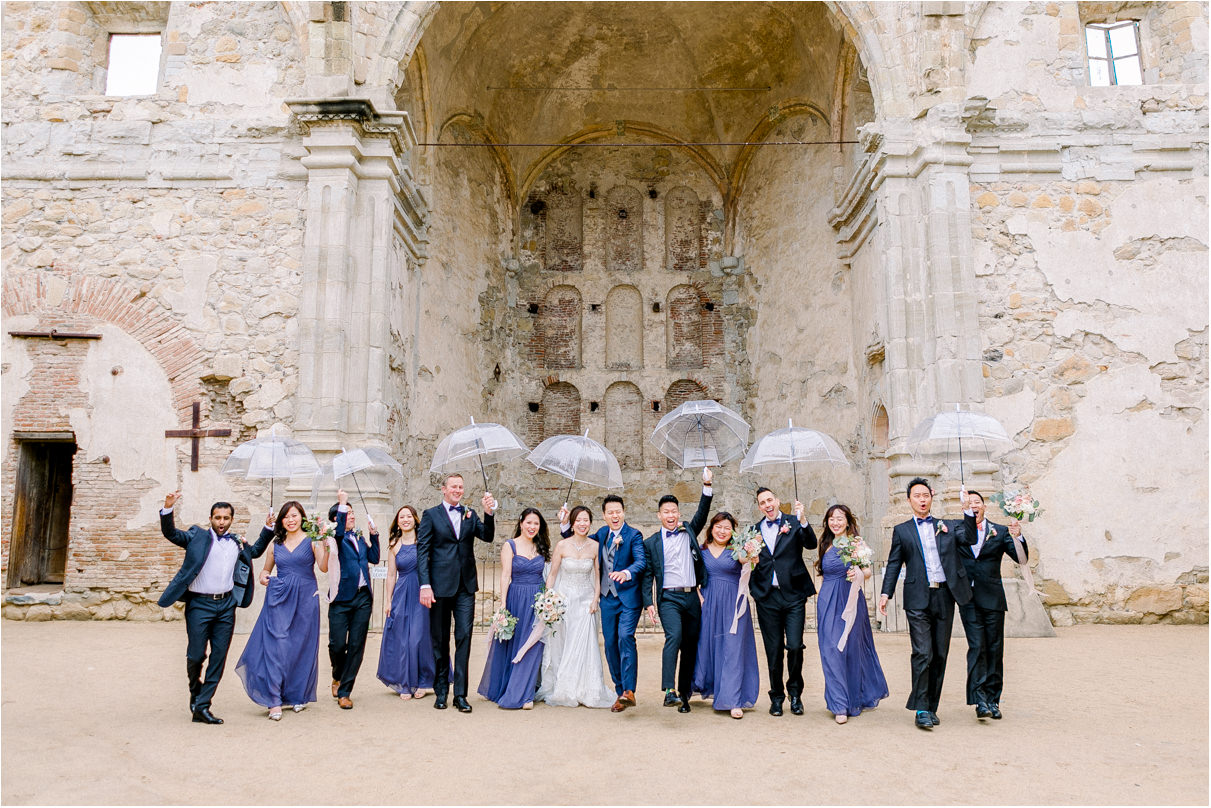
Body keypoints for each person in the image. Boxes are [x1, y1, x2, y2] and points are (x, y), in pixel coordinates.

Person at [158, 491, 273, 724]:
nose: (222, 522)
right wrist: (168, 509)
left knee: (218, 657)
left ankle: (202, 706)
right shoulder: (196, 536)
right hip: (199, 605)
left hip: (226, 606)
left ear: (232, 519)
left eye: (226, 518)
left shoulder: (237, 542)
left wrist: (267, 528)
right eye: (218, 518)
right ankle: (195, 691)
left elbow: (257, 551)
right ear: (211, 518)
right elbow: (171, 533)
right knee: (196, 655)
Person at [878, 477, 976, 730]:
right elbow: (893, 563)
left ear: (931, 497)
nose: (922, 500)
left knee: (940, 654)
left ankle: (932, 706)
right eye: (916, 496)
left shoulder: (949, 525)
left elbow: (970, 538)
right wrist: (885, 593)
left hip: (945, 595)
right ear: (909, 500)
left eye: (925, 495)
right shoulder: (901, 531)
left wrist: (967, 511)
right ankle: (921, 708)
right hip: (917, 598)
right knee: (923, 652)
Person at [234, 499, 330, 720]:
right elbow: (264, 573)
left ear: (302, 518)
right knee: (277, 647)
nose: (291, 520)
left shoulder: (313, 541)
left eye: (295, 515)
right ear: (281, 520)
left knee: (301, 647)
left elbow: (323, 568)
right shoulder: (275, 544)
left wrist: (325, 542)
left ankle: (296, 695)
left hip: (306, 597)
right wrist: (264, 577)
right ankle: (274, 699)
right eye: (286, 516)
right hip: (279, 598)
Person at [417, 473, 496, 713]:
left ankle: (460, 695)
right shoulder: (430, 515)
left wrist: (489, 513)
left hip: (465, 587)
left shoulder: (469, 513)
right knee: (439, 640)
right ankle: (441, 691)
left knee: (464, 639)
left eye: (461, 487)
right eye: (454, 486)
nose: (458, 490)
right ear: (444, 489)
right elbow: (423, 551)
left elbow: (488, 536)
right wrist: (425, 585)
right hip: (439, 587)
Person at [640, 467, 713, 712]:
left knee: (690, 645)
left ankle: (683, 695)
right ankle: (668, 689)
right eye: (666, 512)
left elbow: (702, 514)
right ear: (659, 515)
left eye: (674, 511)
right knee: (674, 636)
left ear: (678, 513)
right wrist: (649, 604)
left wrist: (707, 486)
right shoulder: (651, 543)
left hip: (691, 596)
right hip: (668, 597)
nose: (670, 515)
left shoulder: (688, 531)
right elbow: (647, 575)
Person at [564, 493, 646, 712]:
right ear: (604, 515)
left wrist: (626, 573)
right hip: (607, 600)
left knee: (625, 637)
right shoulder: (601, 534)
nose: (615, 515)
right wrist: (565, 525)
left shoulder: (634, 535)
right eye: (610, 512)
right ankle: (621, 692)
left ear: (624, 512)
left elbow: (640, 562)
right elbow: (579, 540)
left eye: (618, 511)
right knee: (610, 645)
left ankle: (629, 690)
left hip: (628, 599)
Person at [814, 504, 888, 724]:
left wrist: (858, 571)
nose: (835, 522)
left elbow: (867, 572)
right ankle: (838, 704)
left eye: (840, 518)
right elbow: (822, 572)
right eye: (831, 519)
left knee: (849, 650)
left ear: (848, 521)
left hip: (850, 599)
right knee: (830, 650)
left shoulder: (857, 543)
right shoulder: (825, 544)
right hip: (828, 600)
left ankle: (851, 699)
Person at [957, 490, 1027, 721]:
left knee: (995, 649)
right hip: (968, 599)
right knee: (977, 647)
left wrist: (1018, 537)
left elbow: (1021, 559)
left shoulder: (1001, 531)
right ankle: (979, 700)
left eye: (977, 502)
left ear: (984, 506)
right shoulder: (959, 530)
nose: (974, 505)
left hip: (993, 598)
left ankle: (993, 699)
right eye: (969, 503)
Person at [536, 505, 615, 708]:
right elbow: (552, 574)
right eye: (578, 520)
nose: (582, 524)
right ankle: (565, 687)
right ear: (572, 523)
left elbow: (598, 575)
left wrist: (595, 598)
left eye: (586, 520)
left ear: (590, 523)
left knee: (586, 644)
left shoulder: (595, 546)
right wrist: (548, 599)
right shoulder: (562, 546)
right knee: (566, 642)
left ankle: (588, 688)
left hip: (586, 600)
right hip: (564, 600)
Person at [748, 486, 817, 716]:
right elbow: (750, 560)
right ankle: (776, 696)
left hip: (794, 594)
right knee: (773, 650)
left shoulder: (794, 522)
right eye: (762, 502)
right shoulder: (753, 531)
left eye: (770, 500)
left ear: (777, 501)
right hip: (767, 597)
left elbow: (811, 544)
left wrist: (803, 519)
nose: (767, 505)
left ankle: (795, 694)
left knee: (795, 646)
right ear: (759, 507)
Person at [478, 508, 551, 709]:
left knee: (533, 645)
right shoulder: (510, 546)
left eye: (536, 524)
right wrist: (503, 606)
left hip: (537, 601)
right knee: (514, 644)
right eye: (529, 523)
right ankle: (508, 687)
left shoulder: (542, 546)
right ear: (521, 523)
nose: (532, 527)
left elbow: (548, 575)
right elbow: (505, 576)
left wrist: (549, 601)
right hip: (515, 598)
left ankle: (525, 694)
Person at [691, 512, 760, 719]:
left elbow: (744, 559)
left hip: (733, 603)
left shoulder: (736, 549)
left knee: (733, 649)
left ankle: (733, 699)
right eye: (719, 526)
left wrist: (752, 551)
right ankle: (709, 687)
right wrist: (698, 596)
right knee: (708, 646)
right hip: (709, 602)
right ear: (711, 528)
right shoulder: (701, 550)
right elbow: (692, 575)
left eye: (727, 527)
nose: (722, 531)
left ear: (733, 531)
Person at [328, 489, 380, 710]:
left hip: (362, 598)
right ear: (337, 518)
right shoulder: (334, 536)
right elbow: (339, 532)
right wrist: (342, 502)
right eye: (347, 513)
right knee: (337, 645)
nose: (352, 515)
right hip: (341, 598)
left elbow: (374, 559)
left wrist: (374, 536)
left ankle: (345, 691)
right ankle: (337, 674)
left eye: (352, 512)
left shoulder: (358, 535)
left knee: (357, 645)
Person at [377, 505, 435, 700]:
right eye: (401, 517)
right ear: (397, 521)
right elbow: (392, 574)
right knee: (402, 640)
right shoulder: (394, 544)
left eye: (409, 516)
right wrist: (388, 601)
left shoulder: (424, 541)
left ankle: (424, 681)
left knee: (418, 638)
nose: (405, 519)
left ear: (415, 519)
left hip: (420, 591)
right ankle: (405, 682)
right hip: (402, 593)